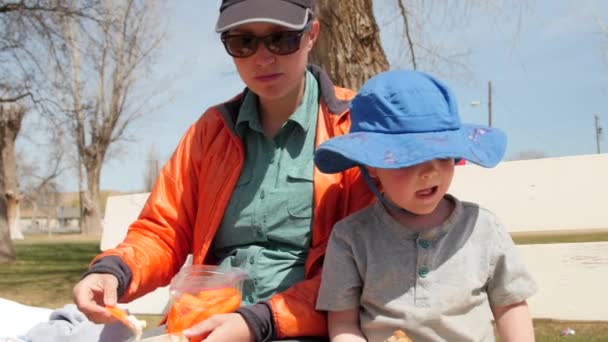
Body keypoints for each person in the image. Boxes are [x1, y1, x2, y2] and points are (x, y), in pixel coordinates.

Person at [72, 0, 375, 341]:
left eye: (282, 39)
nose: (263, 58)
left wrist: (257, 322)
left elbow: (364, 260)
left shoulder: (354, 129)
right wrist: (114, 272)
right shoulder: (211, 131)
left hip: (304, 326)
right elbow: (164, 229)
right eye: (243, 42)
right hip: (205, 321)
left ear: (311, 35)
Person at [313, 70, 538, 342]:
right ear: (372, 165)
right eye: (408, 159)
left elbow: (510, 305)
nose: (430, 172)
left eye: (443, 155)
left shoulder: (483, 228)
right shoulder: (351, 238)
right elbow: (343, 324)